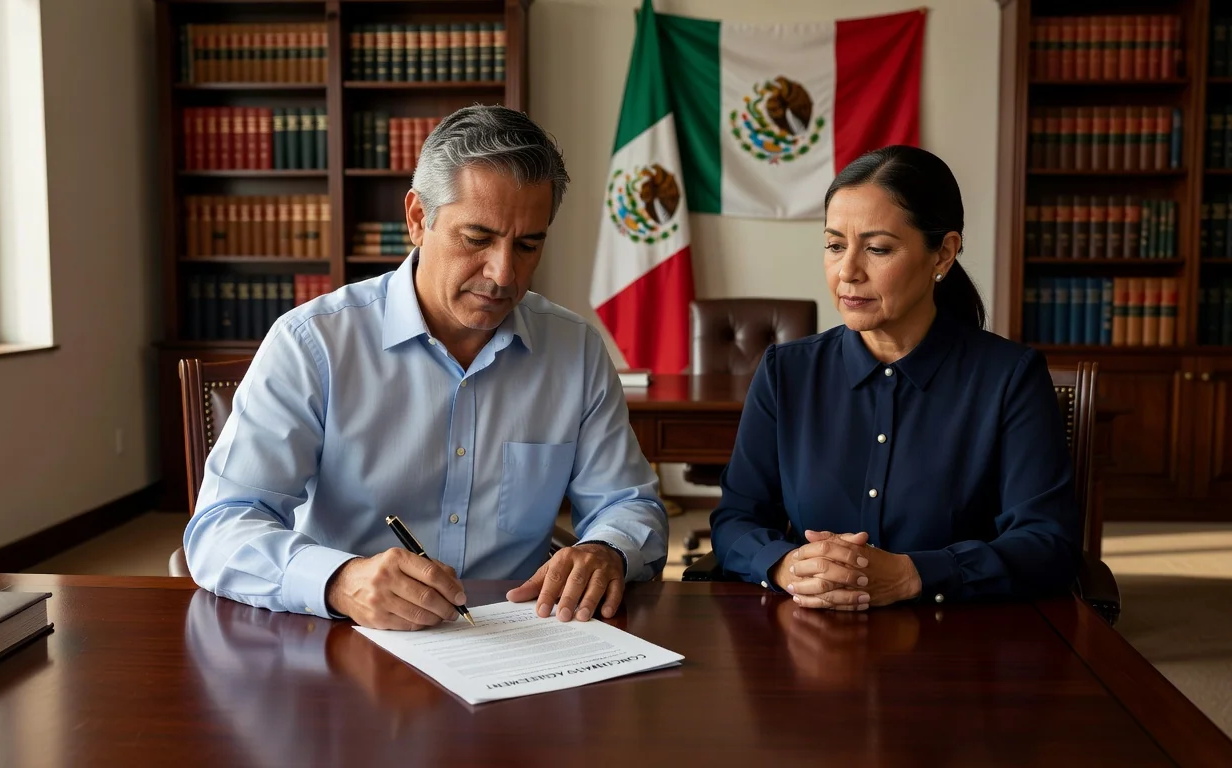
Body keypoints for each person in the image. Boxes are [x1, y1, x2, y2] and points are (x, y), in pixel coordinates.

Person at [185, 105, 668, 629]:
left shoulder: (574, 351)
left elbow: (631, 506)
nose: (504, 273)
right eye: (477, 238)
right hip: (345, 638)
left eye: (528, 244)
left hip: (518, 641)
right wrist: (339, 580)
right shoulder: (314, 343)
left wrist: (606, 549)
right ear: (418, 218)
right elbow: (221, 528)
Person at [709, 145, 1079, 609]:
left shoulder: (1010, 378)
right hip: (808, 639)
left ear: (943, 253)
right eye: (834, 245)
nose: (848, 271)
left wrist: (914, 574)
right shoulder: (787, 372)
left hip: (958, 640)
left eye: (878, 248)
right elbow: (736, 519)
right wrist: (786, 565)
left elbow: (1048, 541)